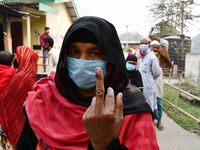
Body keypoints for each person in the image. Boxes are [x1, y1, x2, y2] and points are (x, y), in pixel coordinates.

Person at [16, 16, 159, 150]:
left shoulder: (130, 108)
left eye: (94, 53)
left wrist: (106, 144)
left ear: (110, 61)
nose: (82, 60)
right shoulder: (44, 99)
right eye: (74, 51)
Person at [0, 46, 38, 146]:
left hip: (19, 123)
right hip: (28, 123)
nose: (16, 60)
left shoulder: (20, 77)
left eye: (17, 57)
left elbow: (5, 101)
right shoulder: (30, 76)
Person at [149, 40, 172, 131]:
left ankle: (159, 121)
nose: (155, 49)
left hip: (157, 83)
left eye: (157, 47)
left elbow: (165, 44)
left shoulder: (162, 57)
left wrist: (158, 39)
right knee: (149, 103)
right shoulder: (147, 56)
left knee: (158, 103)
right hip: (149, 83)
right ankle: (151, 119)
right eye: (153, 47)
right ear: (150, 47)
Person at [138, 38, 161, 111]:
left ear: (149, 45)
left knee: (149, 106)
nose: (143, 45)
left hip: (148, 87)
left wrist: (149, 79)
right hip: (141, 86)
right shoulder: (141, 57)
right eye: (141, 43)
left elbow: (157, 73)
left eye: (145, 43)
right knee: (142, 105)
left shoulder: (152, 57)